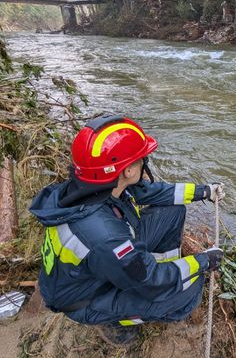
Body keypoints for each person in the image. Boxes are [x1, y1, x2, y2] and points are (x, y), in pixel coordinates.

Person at [29, 114, 225, 346]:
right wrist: (204, 261)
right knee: (189, 290)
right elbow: (150, 279)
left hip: (99, 268)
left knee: (172, 212)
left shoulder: (95, 185)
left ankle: (150, 278)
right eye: (142, 158)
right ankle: (114, 322)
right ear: (127, 171)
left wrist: (205, 191)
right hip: (87, 299)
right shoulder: (105, 235)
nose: (145, 162)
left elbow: (153, 192)